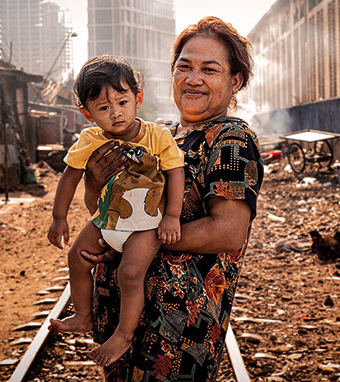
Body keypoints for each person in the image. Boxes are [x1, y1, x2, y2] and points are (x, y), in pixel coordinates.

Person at [78, 17, 265, 381]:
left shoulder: (230, 140)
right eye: (185, 66)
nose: (193, 79)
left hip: (177, 331)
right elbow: (114, 214)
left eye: (209, 70)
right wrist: (93, 187)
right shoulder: (158, 136)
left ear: (235, 81)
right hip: (125, 322)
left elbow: (228, 232)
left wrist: (140, 243)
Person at [46, 55, 185, 366]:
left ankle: (123, 334)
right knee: (76, 257)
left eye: (122, 102)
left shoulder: (157, 136)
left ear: (138, 98)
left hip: (146, 223)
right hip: (108, 217)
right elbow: (70, 177)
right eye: (104, 108)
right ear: (87, 113)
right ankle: (83, 314)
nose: (116, 113)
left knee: (130, 272)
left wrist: (173, 215)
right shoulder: (90, 140)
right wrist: (59, 218)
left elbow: (176, 172)